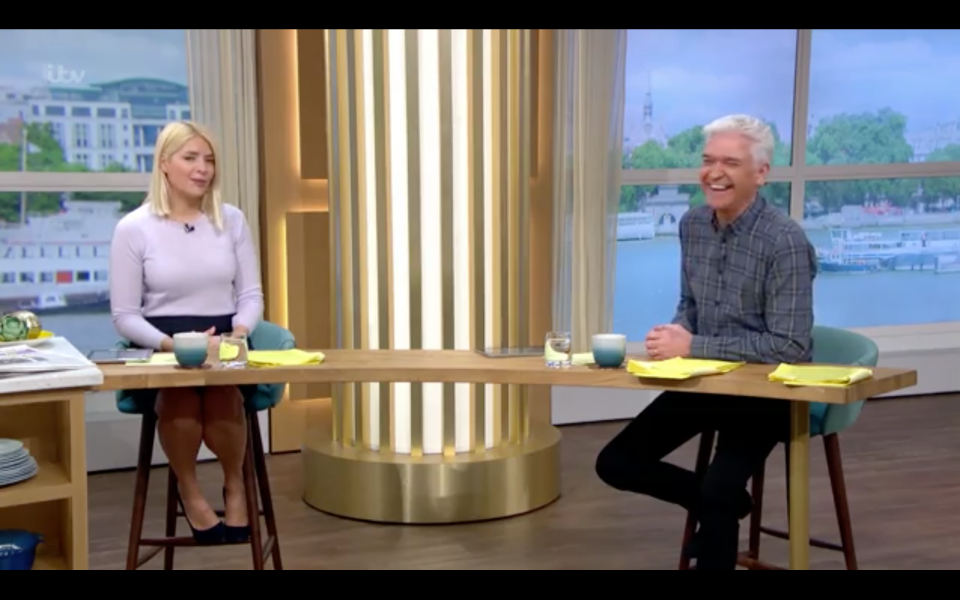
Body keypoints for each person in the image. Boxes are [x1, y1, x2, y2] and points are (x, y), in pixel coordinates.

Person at [595, 114, 817, 570]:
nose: (714, 172)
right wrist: (673, 337)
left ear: (760, 173)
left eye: (730, 162)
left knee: (715, 492)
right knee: (615, 462)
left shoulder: (785, 241)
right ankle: (729, 503)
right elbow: (690, 305)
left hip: (768, 393)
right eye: (708, 160)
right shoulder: (693, 224)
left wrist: (693, 346)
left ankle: (720, 504)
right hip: (706, 383)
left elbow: (790, 346)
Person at [110, 121, 264, 546]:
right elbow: (124, 316)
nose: (203, 169)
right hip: (162, 343)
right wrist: (172, 344)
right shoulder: (134, 228)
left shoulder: (230, 220)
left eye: (209, 159)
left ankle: (234, 485)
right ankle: (190, 489)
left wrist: (238, 333)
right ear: (164, 164)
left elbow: (251, 294)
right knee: (178, 399)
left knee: (223, 397)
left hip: (227, 339)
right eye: (191, 158)